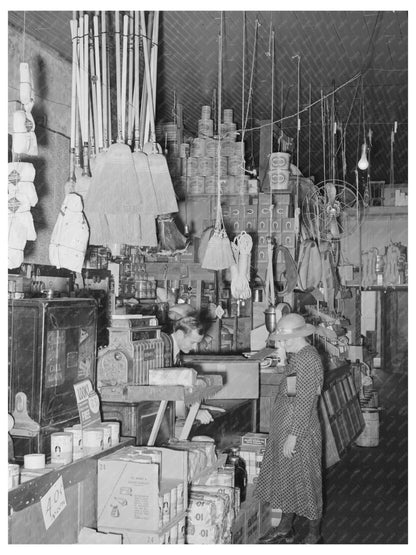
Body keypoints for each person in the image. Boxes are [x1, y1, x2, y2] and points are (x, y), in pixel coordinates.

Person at [255, 313, 324, 544]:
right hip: (287, 428)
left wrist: (293, 437)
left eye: (285, 340)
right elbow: (293, 391)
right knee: (285, 480)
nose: (281, 344)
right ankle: (285, 529)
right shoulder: (299, 356)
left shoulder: (307, 359)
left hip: (299, 432)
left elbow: (304, 401)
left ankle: (314, 535)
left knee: (306, 482)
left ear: (299, 336)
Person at [164, 316, 213, 425]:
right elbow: (164, 393)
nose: (195, 348)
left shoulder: (173, 349)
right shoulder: (163, 351)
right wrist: (192, 412)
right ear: (180, 334)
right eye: (192, 342)